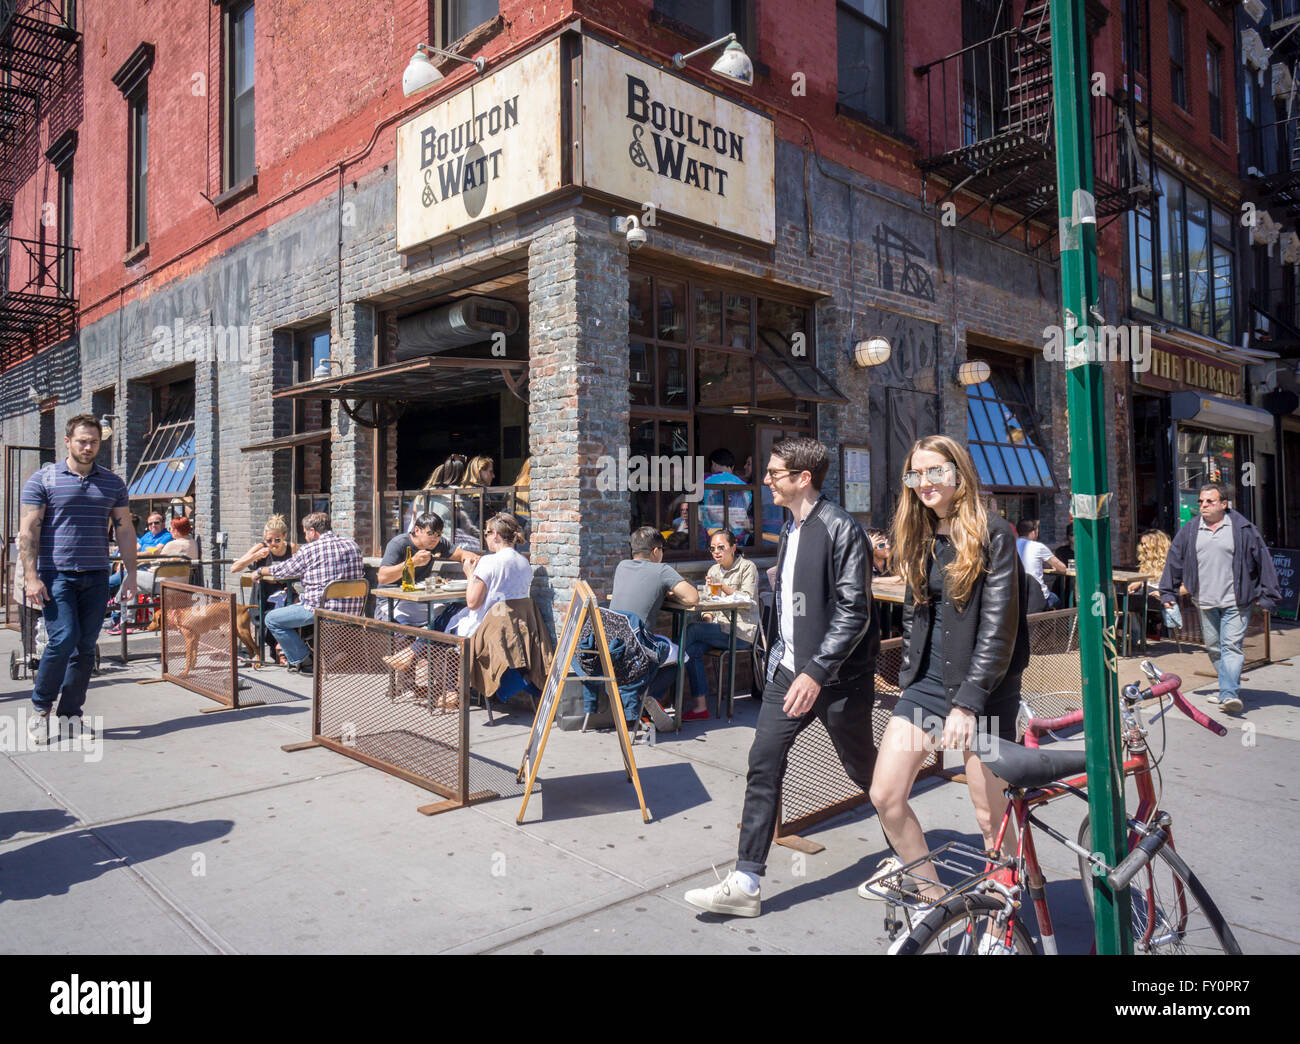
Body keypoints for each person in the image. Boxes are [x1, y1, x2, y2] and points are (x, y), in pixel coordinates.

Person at [684, 437, 878, 918]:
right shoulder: (788, 531)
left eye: (774, 473)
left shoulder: (840, 528)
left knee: (867, 772)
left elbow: (855, 611)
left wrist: (817, 670)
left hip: (835, 679)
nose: (765, 480)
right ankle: (746, 880)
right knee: (763, 763)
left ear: (802, 479)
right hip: (786, 672)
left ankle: (912, 858)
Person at [862, 435, 1028, 919]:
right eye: (916, 474)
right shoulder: (918, 535)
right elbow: (917, 616)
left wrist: (969, 702)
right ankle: (934, 900)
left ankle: (1007, 904)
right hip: (929, 687)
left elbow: (1000, 626)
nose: (925, 483)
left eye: (935, 471)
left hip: (985, 692)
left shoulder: (994, 532)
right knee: (886, 795)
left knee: (988, 813)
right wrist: (908, 676)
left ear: (959, 473)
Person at [19, 414, 135, 744]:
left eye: (94, 442)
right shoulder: (44, 479)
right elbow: (28, 529)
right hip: (56, 575)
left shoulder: (112, 482)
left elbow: (125, 529)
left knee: (85, 647)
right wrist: (31, 576)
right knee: (63, 639)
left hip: (97, 575)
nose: (88, 447)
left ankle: (70, 716)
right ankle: (40, 709)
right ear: (67, 441)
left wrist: (130, 574)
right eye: (82, 441)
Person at [1158, 483, 1280, 713]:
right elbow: (1174, 560)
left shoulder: (1243, 529)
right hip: (1204, 601)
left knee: (1231, 646)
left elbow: (1263, 561)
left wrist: (1268, 595)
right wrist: (1168, 592)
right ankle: (1228, 686)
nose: (1203, 505)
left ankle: (1228, 694)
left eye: (1209, 501)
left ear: (1224, 504)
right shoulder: (1191, 529)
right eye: (1201, 502)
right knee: (1214, 647)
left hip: (1236, 601)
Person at [257, 512, 365, 674]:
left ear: (313, 531)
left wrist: (260, 570)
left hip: (322, 610)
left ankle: (305, 662)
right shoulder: (352, 545)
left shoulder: (311, 549)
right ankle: (322, 656)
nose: (305, 536)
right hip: (354, 611)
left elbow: (283, 570)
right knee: (299, 602)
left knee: (272, 619)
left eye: (305, 532)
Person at [681, 529, 759, 721]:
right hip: (719, 630)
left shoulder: (747, 567)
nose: (716, 552)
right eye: (713, 548)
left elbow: (747, 599)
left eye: (721, 547)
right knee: (691, 648)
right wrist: (708, 620)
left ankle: (659, 687)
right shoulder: (713, 570)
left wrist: (723, 587)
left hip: (741, 632)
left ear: (733, 548)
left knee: (690, 632)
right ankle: (701, 707)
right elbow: (709, 603)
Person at [374, 512, 478, 625]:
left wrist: (481, 561)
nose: (435, 538)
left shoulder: (438, 543)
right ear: (417, 530)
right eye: (430, 533)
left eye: (438, 534)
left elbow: (462, 554)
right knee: (403, 631)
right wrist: (412, 562)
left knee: (456, 613)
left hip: (419, 599)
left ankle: (429, 642)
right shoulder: (399, 544)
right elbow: (382, 577)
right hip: (391, 602)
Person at [111, 515, 201, 632]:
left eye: (172, 528)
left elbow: (158, 563)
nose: (170, 531)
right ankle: (127, 621)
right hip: (181, 584)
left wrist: (148, 567)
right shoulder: (192, 543)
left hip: (164, 583)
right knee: (133, 588)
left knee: (130, 576)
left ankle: (118, 605)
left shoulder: (173, 544)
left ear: (177, 530)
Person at [231, 515, 300, 663]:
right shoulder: (261, 548)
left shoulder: (292, 548)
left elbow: (301, 568)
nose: (273, 544)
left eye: (277, 540)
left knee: (298, 607)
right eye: (269, 540)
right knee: (270, 618)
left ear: (285, 536)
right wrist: (255, 556)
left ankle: (287, 650)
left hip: (285, 593)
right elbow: (234, 568)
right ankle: (280, 649)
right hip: (263, 596)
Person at [108, 511, 172, 599]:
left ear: (163, 523)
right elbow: (135, 548)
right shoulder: (147, 535)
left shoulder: (166, 535)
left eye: (156, 523)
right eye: (150, 523)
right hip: (135, 566)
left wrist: (133, 557)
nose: (153, 525)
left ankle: (112, 608)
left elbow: (155, 551)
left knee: (108, 584)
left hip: (145, 569)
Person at [699, 448, 752, 548]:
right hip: (738, 536)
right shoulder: (745, 485)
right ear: (732, 467)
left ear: (713, 464)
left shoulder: (705, 480)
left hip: (713, 535)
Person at [1016, 518, 1067, 612]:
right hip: (1037, 596)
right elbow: (1062, 568)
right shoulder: (1038, 547)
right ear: (1033, 533)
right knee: (1058, 600)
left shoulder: (1010, 545)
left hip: (1016, 595)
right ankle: (1060, 626)